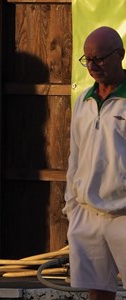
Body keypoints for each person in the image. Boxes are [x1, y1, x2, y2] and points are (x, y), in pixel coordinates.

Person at [63, 26, 126, 300]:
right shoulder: (83, 101)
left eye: (99, 59)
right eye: (87, 60)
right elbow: (74, 157)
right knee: (98, 293)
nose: (92, 66)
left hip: (124, 215)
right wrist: (71, 206)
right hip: (87, 214)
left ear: (120, 55)